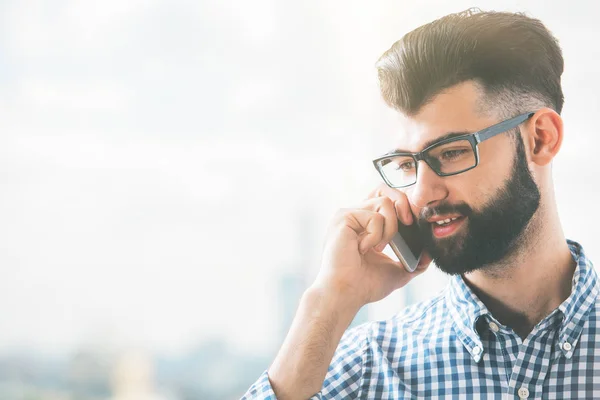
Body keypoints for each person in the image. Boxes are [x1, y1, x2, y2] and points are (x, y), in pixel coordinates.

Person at [242, 8, 598, 399]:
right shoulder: (368, 367)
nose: (421, 194)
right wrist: (327, 303)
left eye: (451, 153)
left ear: (540, 139)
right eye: (406, 164)